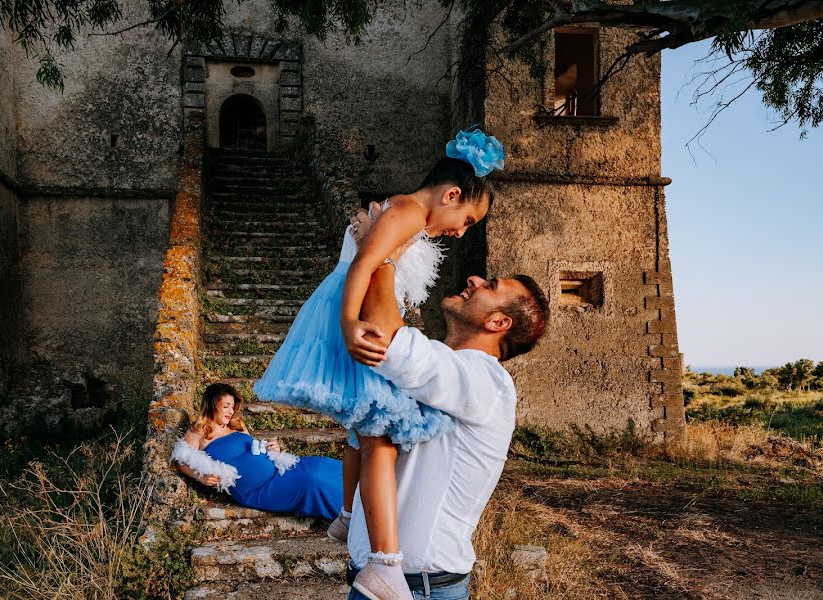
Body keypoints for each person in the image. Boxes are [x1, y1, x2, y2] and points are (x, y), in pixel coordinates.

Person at [253, 128, 507, 599]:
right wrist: (350, 321)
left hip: (356, 314)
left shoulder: (397, 210)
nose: (462, 231)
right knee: (382, 437)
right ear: (451, 194)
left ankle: (349, 516)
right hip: (355, 318)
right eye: (468, 218)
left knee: (361, 430)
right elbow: (364, 265)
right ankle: (386, 562)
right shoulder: (408, 212)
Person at [343, 207, 550, 600]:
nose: (473, 279)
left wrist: (381, 251)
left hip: (423, 588)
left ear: (498, 323)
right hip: (374, 580)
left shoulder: (488, 381)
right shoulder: (443, 364)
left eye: (490, 285)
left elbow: (387, 340)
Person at [171, 382, 342, 521]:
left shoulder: (237, 425)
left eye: (233, 407)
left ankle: (364, 493)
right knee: (312, 482)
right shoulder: (198, 432)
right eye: (226, 406)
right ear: (212, 404)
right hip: (257, 489)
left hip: (278, 471)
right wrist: (200, 476)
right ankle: (352, 516)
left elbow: (254, 448)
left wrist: (272, 450)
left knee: (319, 465)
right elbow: (182, 460)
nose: (231, 411)